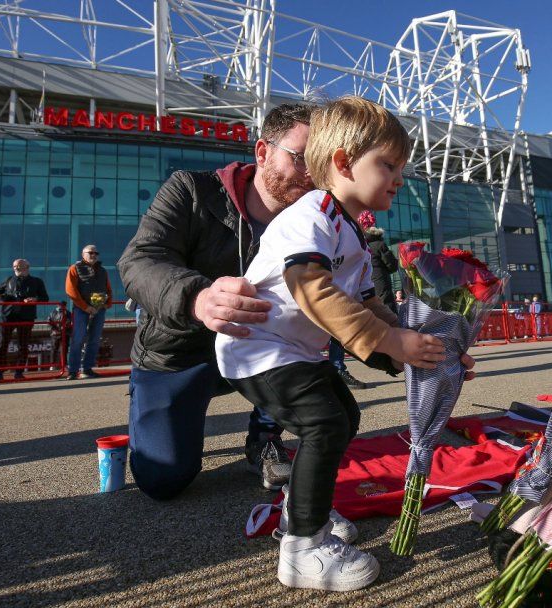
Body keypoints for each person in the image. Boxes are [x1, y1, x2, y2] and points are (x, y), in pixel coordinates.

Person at [216, 96, 474, 592]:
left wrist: (425, 352)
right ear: (341, 163)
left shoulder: (348, 231)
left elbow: (372, 308)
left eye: (402, 167)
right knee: (324, 421)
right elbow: (311, 288)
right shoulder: (309, 214)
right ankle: (302, 549)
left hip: (290, 349)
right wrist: (391, 340)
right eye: (388, 165)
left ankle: (303, 508)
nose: (399, 177)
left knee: (343, 416)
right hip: (257, 348)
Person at [117, 104, 315, 498]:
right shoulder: (190, 189)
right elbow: (139, 261)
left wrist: (412, 343)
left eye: (322, 163)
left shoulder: (315, 219)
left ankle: (264, 435)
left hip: (261, 352)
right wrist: (199, 297)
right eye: (301, 159)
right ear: (262, 152)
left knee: (314, 355)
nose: (313, 174)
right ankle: (155, 411)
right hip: (178, 352)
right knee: (164, 480)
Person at [0, 259, 49, 380]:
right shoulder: (8, 280)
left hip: (26, 316)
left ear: (27, 267)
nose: (16, 268)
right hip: (7, 315)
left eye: (19, 265)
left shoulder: (36, 281)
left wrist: (35, 300)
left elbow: (45, 298)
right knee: (2, 343)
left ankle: (19, 371)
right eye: (14, 266)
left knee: (23, 344)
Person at [65, 245, 112, 380]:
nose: (94, 255)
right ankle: (73, 371)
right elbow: (71, 290)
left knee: (95, 339)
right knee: (78, 339)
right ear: (83, 254)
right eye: (90, 252)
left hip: (99, 309)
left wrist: (106, 304)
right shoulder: (74, 268)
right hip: (81, 309)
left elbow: (108, 289)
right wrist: (85, 307)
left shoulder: (102, 271)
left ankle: (87, 369)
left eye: (96, 253)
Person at [357, 209, 399, 313]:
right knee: (387, 311)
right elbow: (392, 266)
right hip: (381, 283)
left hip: (363, 286)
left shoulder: (358, 244)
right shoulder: (379, 244)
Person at [47, 301, 72, 368]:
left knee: (64, 349)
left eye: (63, 305)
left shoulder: (68, 313)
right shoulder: (53, 313)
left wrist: (65, 327)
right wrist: (55, 330)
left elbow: (70, 322)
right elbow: (49, 322)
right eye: (61, 305)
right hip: (55, 334)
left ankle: (64, 364)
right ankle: (52, 364)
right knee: (54, 349)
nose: (62, 306)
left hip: (65, 333)